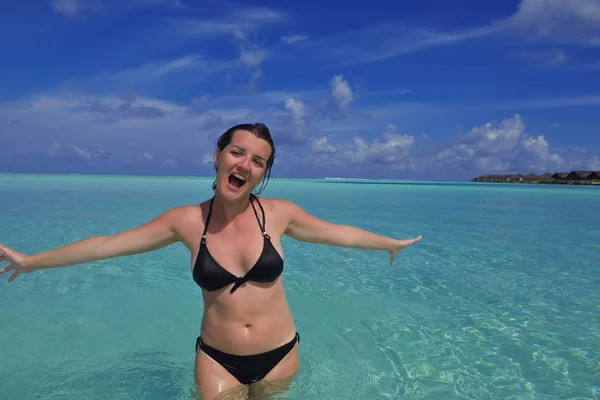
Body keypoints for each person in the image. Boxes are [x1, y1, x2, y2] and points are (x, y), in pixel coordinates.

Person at [0, 123, 422, 400]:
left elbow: (341, 234)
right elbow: (108, 244)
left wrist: (387, 243)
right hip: (219, 359)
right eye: (238, 152)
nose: (245, 164)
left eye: (258, 161)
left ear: (263, 173)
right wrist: (33, 261)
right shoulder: (185, 221)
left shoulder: (277, 214)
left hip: (280, 353)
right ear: (218, 156)